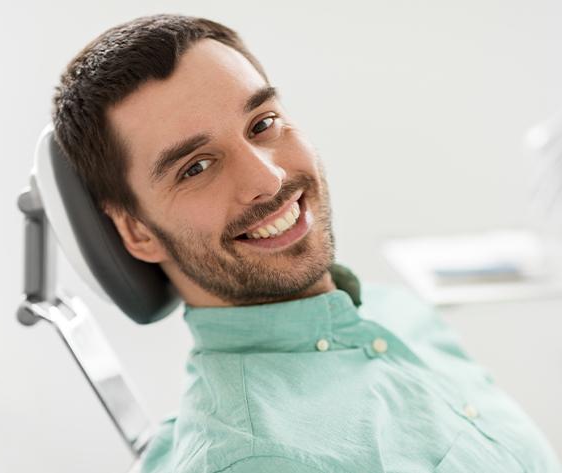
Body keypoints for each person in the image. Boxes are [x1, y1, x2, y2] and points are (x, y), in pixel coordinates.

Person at [52, 14, 561, 473]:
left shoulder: (396, 312)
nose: (268, 178)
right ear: (137, 232)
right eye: (197, 167)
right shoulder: (257, 458)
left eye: (263, 124)